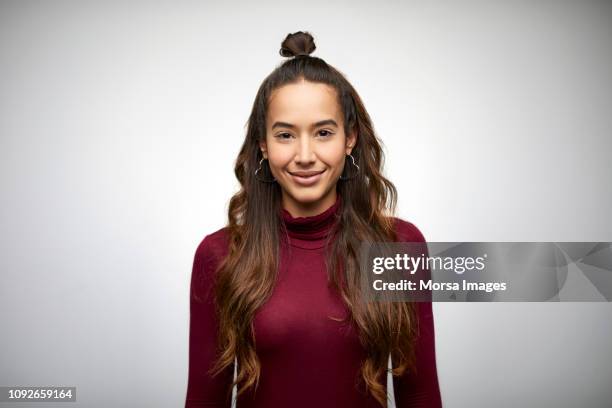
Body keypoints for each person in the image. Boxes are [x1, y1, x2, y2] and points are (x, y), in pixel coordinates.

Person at [185, 31, 442, 408]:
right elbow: (205, 400)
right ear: (263, 144)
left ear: (349, 138)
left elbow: (419, 395)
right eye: (285, 134)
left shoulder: (400, 247)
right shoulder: (219, 254)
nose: (305, 155)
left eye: (323, 133)